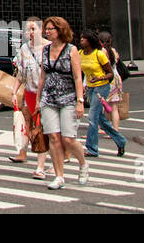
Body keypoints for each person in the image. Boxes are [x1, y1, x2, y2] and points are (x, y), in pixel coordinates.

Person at [37, 16, 88, 190]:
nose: (47, 32)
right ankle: (59, 176)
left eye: (51, 29)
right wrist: (38, 99)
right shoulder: (45, 50)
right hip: (49, 98)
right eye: (46, 29)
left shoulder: (71, 50)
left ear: (60, 30)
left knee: (68, 138)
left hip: (68, 98)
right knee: (53, 137)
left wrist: (80, 101)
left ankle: (82, 164)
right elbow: (43, 76)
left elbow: (77, 77)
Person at [9, 17, 49, 178]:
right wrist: (14, 91)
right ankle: (22, 152)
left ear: (42, 30)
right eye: (28, 29)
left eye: (34, 29)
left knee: (42, 127)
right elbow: (21, 73)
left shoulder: (49, 47)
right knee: (27, 123)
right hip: (30, 92)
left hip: (46, 94)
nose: (30, 32)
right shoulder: (25, 49)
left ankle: (42, 165)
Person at [79, 30, 126, 159]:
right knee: (100, 118)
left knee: (92, 117)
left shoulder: (99, 54)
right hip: (91, 87)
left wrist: (99, 79)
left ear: (90, 40)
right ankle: (120, 140)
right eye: (81, 38)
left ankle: (92, 148)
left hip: (102, 87)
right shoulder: (80, 53)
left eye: (84, 38)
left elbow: (110, 73)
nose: (81, 40)